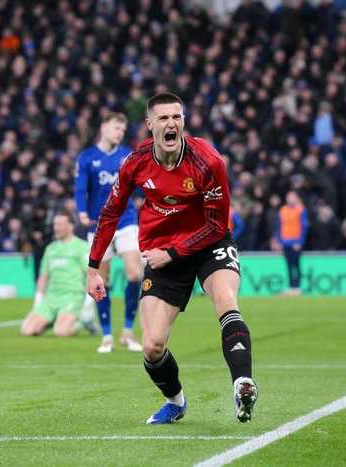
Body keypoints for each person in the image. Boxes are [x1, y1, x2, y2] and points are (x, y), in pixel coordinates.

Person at [86, 92, 258, 424]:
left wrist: (174, 253)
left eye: (177, 117)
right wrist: (93, 267)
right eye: (163, 118)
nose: (171, 123)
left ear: (183, 122)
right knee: (152, 346)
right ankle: (176, 402)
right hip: (162, 249)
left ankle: (242, 384)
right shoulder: (135, 162)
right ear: (150, 124)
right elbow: (110, 213)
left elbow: (216, 225)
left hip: (208, 243)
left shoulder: (208, 161)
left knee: (226, 298)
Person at [74, 112, 143, 353]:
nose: (120, 133)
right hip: (99, 224)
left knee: (135, 273)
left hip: (126, 220)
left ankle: (128, 331)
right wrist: (82, 212)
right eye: (116, 128)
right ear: (103, 128)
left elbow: (140, 184)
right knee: (101, 281)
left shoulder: (128, 155)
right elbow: (80, 189)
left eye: (123, 130)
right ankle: (106, 336)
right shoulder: (86, 157)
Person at [20, 211, 97, 337]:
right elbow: (43, 278)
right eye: (55, 224)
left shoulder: (81, 247)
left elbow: (91, 276)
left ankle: (82, 322)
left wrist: (87, 304)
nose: (56, 228)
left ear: (70, 226)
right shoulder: (50, 249)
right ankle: (53, 320)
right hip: (51, 298)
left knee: (61, 332)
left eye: (60, 224)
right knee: (27, 330)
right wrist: (37, 303)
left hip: (72, 297)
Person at [274, 191, 308, 295]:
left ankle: (297, 287)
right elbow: (278, 226)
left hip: (295, 243)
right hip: (285, 242)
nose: (290, 199)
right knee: (288, 265)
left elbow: (304, 227)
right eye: (288, 197)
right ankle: (290, 287)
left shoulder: (301, 209)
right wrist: (278, 241)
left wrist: (300, 242)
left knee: (296, 265)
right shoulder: (283, 210)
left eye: (292, 197)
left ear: (296, 198)